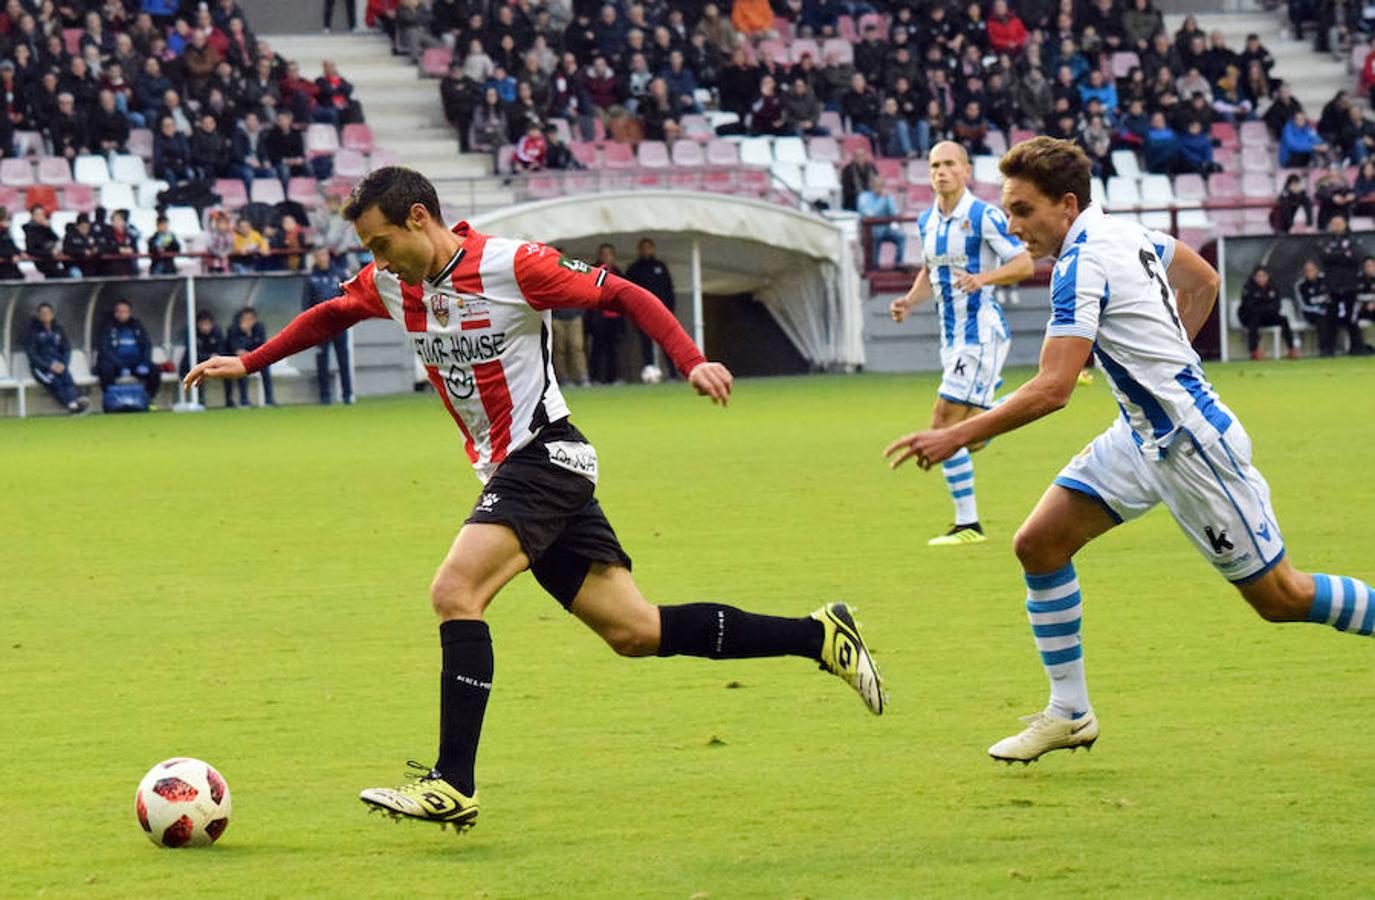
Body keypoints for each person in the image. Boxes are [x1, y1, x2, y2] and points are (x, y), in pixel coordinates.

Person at [182, 165, 884, 830]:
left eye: (380, 242)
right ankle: (818, 634)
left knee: (455, 591)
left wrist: (690, 359)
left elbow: (624, 294)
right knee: (634, 632)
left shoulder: (511, 265)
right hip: (517, 474)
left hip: (544, 458)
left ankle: (452, 784)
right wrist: (249, 361)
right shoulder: (391, 281)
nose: (377, 260)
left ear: (418, 218)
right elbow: (334, 313)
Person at [886, 137, 1375, 764]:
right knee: (1038, 544)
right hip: (1143, 434)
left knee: (1281, 598)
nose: (1013, 226)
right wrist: (1171, 360)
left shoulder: (1079, 263)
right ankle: (1069, 712)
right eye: (1007, 211)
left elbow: (1055, 388)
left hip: (1192, 449)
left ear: (1067, 205)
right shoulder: (1123, 231)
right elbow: (1202, 275)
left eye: (1023, 211)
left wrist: (957, 433)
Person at [888, 141, 1035, 546]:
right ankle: (1011, 404)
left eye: (949, 164)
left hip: (979, 333)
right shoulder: (927, 222)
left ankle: (967, 525)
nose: (941, 171)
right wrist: (909, 302)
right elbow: (929, 269)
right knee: (972, 437)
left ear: (966, 171)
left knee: (942, 423)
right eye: (935, 164)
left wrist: (983, 279)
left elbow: (1023, 262)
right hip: (952, 337)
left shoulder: (982, 215)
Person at [304, 247, 353, 404]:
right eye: (319, 256)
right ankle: (324, 396)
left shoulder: (339, 274)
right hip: (321, 327)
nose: (323, 258)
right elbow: (306, 304)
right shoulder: (311, 278)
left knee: (343, 360)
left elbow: (349, 298)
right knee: (322, 362)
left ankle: (348, 394)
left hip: (339, 325)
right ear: (315, 258)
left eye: (325, 255)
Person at [1318, 216, 1373, 355]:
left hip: (1350, 285)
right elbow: (1325, 257)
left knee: (1351, 318)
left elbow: (1357, 256)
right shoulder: (1326, 240)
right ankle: (1328, 349)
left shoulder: (1353, 239)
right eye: (1334, 223)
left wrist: (1336, 255)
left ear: (1345, 224)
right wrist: (1344, 254)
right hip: (1332, 286)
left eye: (1339, 223)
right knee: (1331, 318)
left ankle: (1357, 348)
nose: (1337, 226)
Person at [624, 238, 676, 377]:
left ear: (653, 249)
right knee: (646, 342)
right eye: (643, 248)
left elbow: (669, 289)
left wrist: (670, 309)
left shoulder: (660, 267)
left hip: (661, 311)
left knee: (666, 342)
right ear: (639, 250)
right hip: (642, 312)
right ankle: (650, 371)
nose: (646, 250)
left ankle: (673, 373)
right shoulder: (634, 269)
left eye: (648, 247)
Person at [26, 302, 89, 414]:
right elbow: (32, 355)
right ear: (38, 315)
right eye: (43, 313)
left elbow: (66, 349)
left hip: (59, 364)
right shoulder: (33, 332)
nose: (46, 315)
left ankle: (76, 400)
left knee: (67, 378)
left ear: (52, 314)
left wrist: (63, 363)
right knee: (55, 382)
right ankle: (71, 404)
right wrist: (49, 365)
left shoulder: (58, 329)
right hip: (41, 369)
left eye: (48, 313)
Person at [96, 299, 161, 400]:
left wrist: (144, 363)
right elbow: (105, 350)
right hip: (116, 364)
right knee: (105, 369)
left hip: (135, 363)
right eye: (119, 311)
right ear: (115, 313)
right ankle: (111, 400)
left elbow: (146, 345)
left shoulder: (137, 326)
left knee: (154, 370)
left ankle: (148, 399)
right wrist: (121, 366)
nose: (122, 314)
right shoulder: (108, 328)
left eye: (125, 312)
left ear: (129, 313)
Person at [1238, 266, 1298, 360]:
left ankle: (1292, 349)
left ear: (1267, 276)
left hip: (1267, 316)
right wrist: (1266, 308)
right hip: (1249, 317)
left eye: (1263, 276)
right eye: (1259, 276)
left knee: (1283, 319)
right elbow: (1249, 307)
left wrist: (1264, 308)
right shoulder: (1248, 288)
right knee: (1254, 319)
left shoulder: (1273, 288)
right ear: (1254, 277)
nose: (1261, 278)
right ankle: (1254, 351)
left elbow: (1277, 306)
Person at [179, 310, 230, 407]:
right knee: (199, 373)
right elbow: (193, 353)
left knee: (229, 371)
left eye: (208, 324)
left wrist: (216, 357)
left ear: (212, 324)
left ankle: (229, 400)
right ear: (198, 324)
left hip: (212, 364)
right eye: (203, 324)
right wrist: (209, 357)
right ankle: (200, 401)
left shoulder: (217, 333)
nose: (205, 327)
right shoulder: (191, 333)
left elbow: (222, 349)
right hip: (191, 365)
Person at [225, 306, 273, 406]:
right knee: (242, 367)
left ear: (255, 319)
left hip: (255, 357)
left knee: (266, 367)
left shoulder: (259, 328)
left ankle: (269, 399)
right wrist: (245, 334)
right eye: (245, 318)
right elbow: (236, 349)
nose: (248, 321)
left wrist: (249, 334)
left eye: (250, 319)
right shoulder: (233, 329)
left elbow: (262, 346)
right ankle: (244, 400)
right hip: (238, 360)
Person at [857, 175, 904, 269]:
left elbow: (894, 213)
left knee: (901, 236)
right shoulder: (863, 197)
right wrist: (882, 200)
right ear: (871, 186)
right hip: (870, 231)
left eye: (881, 186)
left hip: (886, 229)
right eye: (877, 185)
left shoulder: (887, 196)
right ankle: (874, 268)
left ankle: (898, 264)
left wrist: (888, 200)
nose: (879, 188)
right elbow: (870, 215)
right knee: (875, 237)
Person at [840, 145, 877, 212]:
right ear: (854, 157)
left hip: (871, 198)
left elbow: (877, 182)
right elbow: (846, 189)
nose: (861, 157)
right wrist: (861, 197)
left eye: (863, 155)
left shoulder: (871, 168)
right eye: (858, 155)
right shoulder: (847, 170)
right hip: (853, 200)